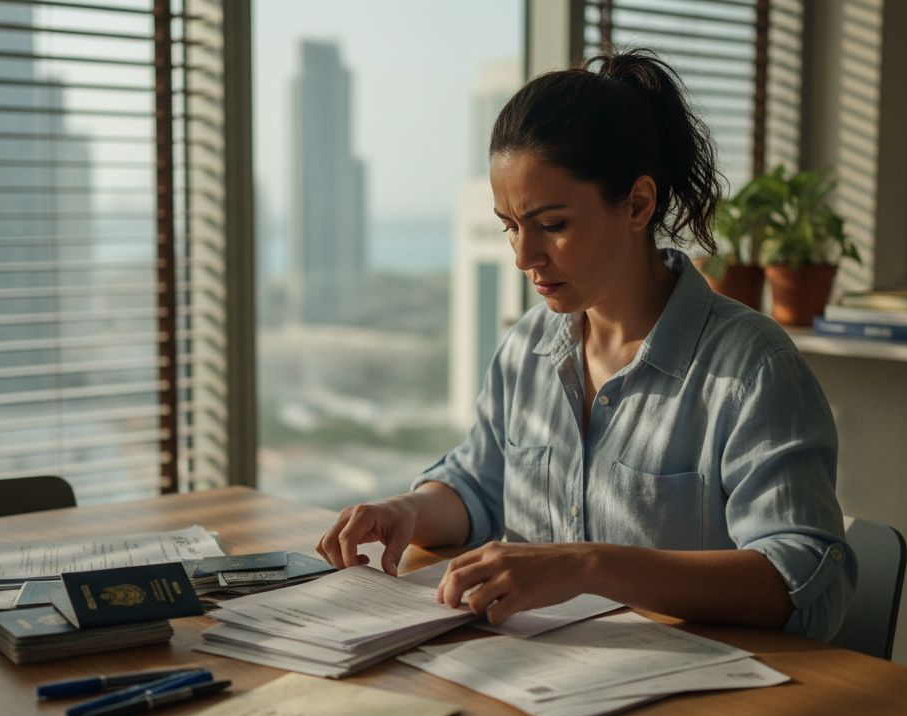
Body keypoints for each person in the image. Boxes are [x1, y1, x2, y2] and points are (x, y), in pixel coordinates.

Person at [315, 50, 855, 642]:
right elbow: (477, 486)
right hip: (538, 683)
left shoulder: (751, 370)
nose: (524, 257)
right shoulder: (528, 349)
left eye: (552, 225)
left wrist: (586, 566)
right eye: (510, 227)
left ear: (638, 204)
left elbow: (800, 583)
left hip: (691, 701)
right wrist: (407, 511)